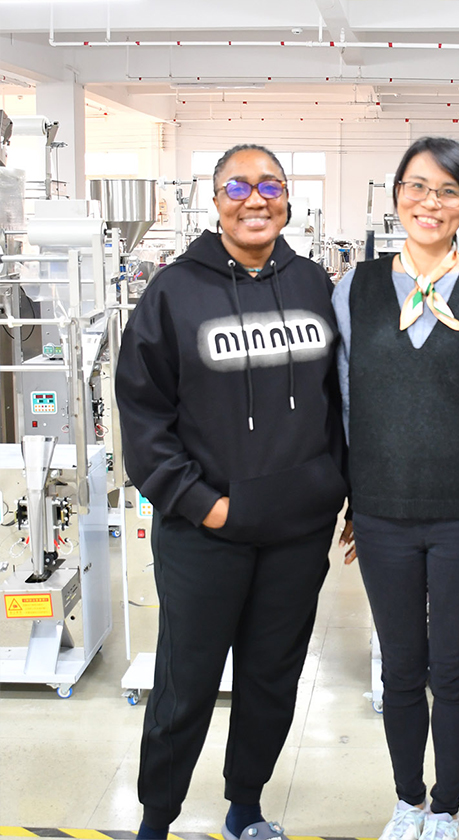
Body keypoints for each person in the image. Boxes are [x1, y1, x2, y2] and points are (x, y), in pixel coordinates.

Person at [115, 144, 347, 840]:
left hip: (296, 533)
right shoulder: (172, 292)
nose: (255, 199)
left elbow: (342, 400)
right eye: (238, 187)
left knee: (271, 680)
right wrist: (204, 504)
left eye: (269, 185)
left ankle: (246, 806)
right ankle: (157, 817)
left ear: (288, 199)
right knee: (185, 683)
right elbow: (143, 415)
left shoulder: (314, 285)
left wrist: (335, 489)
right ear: (215, 200)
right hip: (204, 532)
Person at [332, 136, 459, 840]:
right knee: (398, 669)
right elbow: (344, 404)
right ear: (396, 196)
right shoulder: (353, 289)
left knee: (451, 671)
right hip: (382, 513)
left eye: (448, 191)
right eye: (417, 186)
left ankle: (445, 807)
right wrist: (353, 495)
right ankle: (406, 800)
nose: (430, 202)